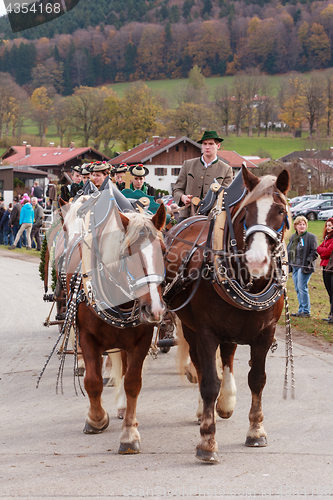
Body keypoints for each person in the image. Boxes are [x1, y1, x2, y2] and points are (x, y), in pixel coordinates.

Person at [172, 130, 233, 221]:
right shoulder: (188, 164)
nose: (207, 147)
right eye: (204, 144)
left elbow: (227, 196)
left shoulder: (226, 169)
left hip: (213, 218)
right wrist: (182, 197)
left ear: (218, 146)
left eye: (211, 144)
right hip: (187, 216)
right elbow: (177, 189)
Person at [287, 215, 318, 318]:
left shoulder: (311, 237)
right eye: (299, 224)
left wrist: (307, 262)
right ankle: (301, 309)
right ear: (295, 226)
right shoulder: (293, 237)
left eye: (303, 224)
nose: (302, 226)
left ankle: (306, 311)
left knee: (302, 287)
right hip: (294, 266)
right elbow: (289, 251)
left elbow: (314, 252)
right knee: (297, 288)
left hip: (304, 267)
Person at [317, 218, 333, 323]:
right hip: (325, 266)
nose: (328, 227)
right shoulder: (327, 238)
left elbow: (327, 252)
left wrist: (322, 251)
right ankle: (331, 313)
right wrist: (322, 251)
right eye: (327, 225)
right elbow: (319, 248)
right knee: (329, 291)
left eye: (330, 225)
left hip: (331, 267)